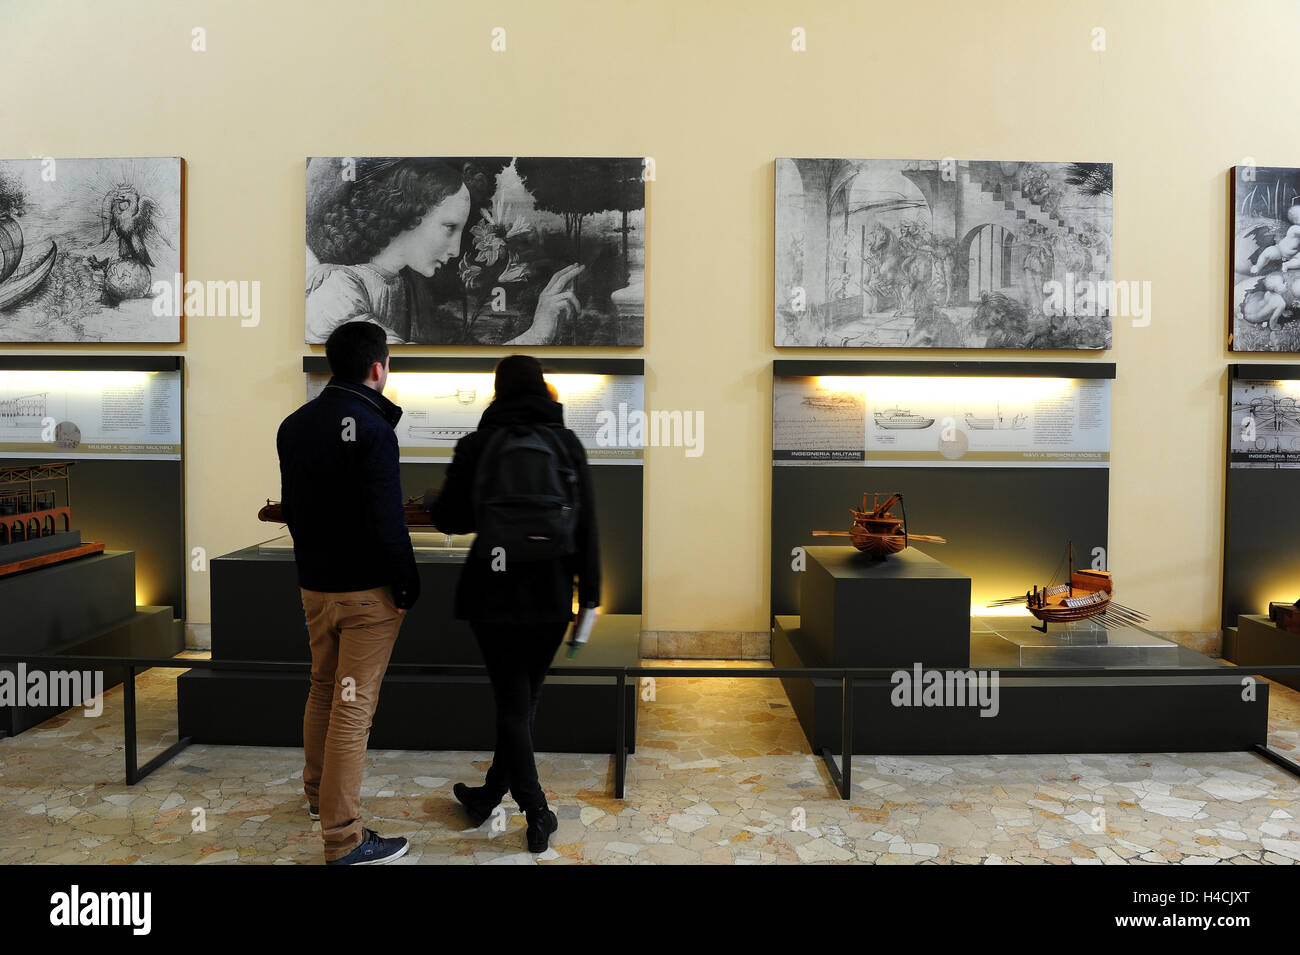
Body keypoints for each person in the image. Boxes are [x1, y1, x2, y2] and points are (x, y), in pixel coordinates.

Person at [428, 355, 599, 853]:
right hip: (550, 591)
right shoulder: (565, 443)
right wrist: (589, 594)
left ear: (499, 391)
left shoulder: (479, 443)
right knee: (523, 702)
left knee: (511, 702)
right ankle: (487, 796)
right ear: (543, 389)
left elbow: (451, 519)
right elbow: (587, 525)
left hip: (492, 590)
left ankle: (536, 809)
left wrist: (446, 498)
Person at [276, 320, 419, 865]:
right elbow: (388, 520)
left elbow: (297, 512)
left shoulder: (294, 424)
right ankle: (344, 837)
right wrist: (407, 582)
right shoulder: (376, 427)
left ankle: (317, 797)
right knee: (353, 708)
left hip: (315, 585)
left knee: (322, 690)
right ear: (378, 368)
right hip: (367, 594)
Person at [304, 157, 582, 345]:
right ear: (410, 216)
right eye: (449, 227)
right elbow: (397, 360)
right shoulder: (337, 288)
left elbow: (446, 352)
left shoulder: (405, 287)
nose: (456, 250)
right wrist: (536, 335)